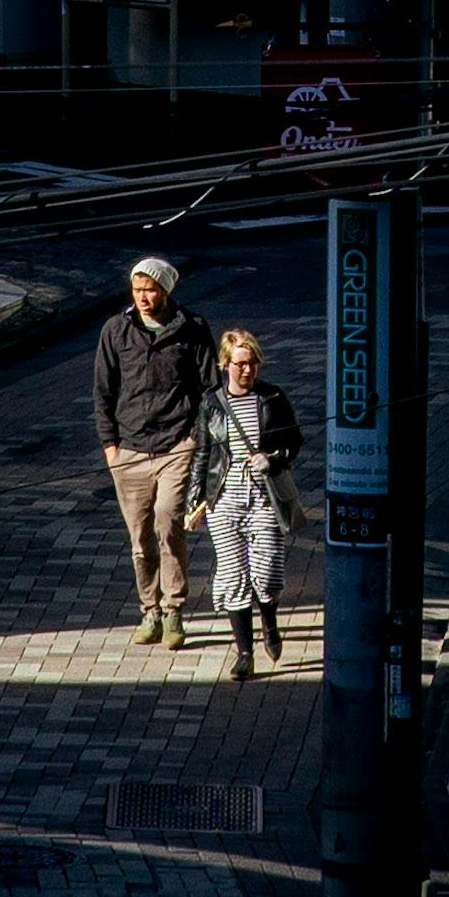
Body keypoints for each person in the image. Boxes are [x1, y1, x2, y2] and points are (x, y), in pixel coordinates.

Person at [92, 255, 218, 647]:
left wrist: (197, 441)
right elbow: (103, 392)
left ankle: (174, 609)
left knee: (168, 521)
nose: (143, 297)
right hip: (128, 449)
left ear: (166, 290)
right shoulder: (116, 329)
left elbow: (209, 391)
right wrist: (110, 446)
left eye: (151, 289)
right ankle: (150, 611)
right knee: (140, 539)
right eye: (137, 289)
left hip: (176, 445)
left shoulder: (192, 328)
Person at [185, 326, 304, 681]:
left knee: (267, 570)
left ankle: (269, 623)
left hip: (265, 493)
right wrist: (195, 497)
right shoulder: (211, 402)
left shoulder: (273, 397)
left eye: (252, 363)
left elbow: (294, 441)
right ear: (225, 364)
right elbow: (203, 453)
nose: (247, 371)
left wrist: (274, 458)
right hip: (224, 496)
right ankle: (244, 653)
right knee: (232, 573)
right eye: (240, 364)